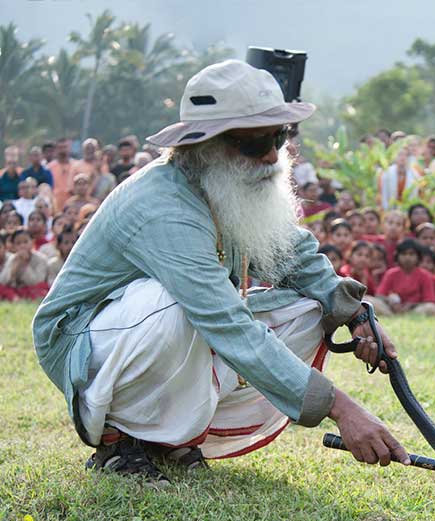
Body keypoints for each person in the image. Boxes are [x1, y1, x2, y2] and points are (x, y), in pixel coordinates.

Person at [32, 60, 409, 486]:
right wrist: (343, 408)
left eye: (279, 136)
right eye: (254, 143)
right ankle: (122, 441)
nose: (271, 154)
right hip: (83, 341)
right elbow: (224, 321)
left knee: (311, 308)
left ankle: (168, 439)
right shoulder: (162, 207)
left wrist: (356, 314)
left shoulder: (227, 183)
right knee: (173, 306)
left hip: (158, 327)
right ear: (205, 146)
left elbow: (294, 254)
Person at [375, 239, 435, 316]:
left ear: (418, 257)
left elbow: (429, 300)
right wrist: (391, 303)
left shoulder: (424, 275)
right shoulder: (391, 273)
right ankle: (391, 316)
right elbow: (379, 295)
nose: (407, 257)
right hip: (392, 309)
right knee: (369, 301)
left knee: (430, 307)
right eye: (404, 254)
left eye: (411, 254)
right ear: (397, 256)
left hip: (416, 310)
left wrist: (411, 305)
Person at [0, 228, 50, 300]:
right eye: (18, 243)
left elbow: (37, 282)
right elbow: (3, 281)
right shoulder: (13, 258)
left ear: (32, 242)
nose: (22, 245)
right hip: (17, 289)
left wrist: (25, 264)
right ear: (13, 246)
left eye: (25, 242)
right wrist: (14, 268)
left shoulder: (41, 259)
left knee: (42, 289)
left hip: (34, 289)